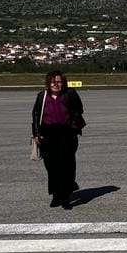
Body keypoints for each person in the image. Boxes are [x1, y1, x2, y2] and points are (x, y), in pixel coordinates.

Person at [31, 69, 85, 207]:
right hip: (48, 134)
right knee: (51, 166)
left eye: (59, 82)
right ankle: (56, 194)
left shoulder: (70, 94)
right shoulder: (42, 96)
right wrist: (36, 134)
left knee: (67, 166)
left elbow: (78, 110)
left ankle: (65, 196)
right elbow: (36, 115)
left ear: (63, 83)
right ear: (48, 83)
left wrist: (73, 127)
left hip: (67, 134)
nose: (56, 84)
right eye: (53, 82)